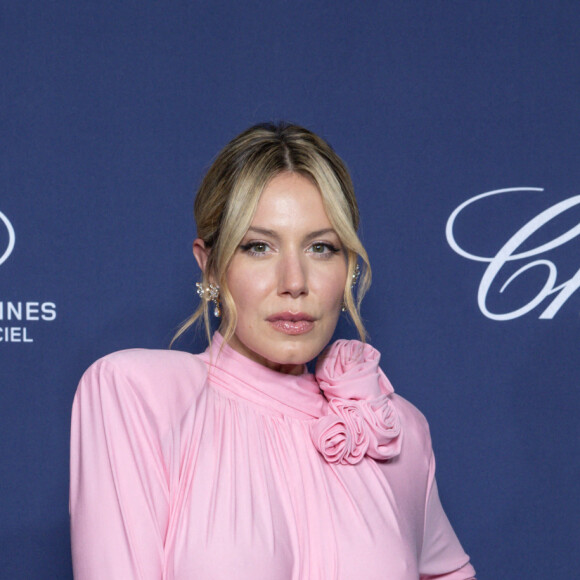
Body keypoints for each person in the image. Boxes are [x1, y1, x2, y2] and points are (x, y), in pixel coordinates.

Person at [70, 122, 476, 579]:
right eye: (258, 247)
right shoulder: (137, 394)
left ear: (348, 268)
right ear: (211, 265)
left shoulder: (395, 427)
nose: (295, 282)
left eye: (321, 248)